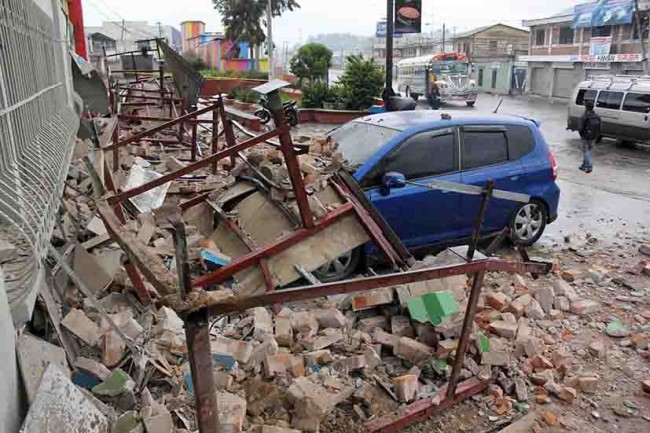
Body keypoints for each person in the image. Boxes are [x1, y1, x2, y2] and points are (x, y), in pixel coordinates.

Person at [578, 100, 601, 173]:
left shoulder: (584, 116)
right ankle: (584, 165)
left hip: (585, 136)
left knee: (585, 151)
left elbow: (580, 128)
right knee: (589, 150)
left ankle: (589, 165)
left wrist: (582, 135)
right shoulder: (596, 116)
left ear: (586, 107)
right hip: (593, 136)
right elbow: (600, 126)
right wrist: (596, 135)